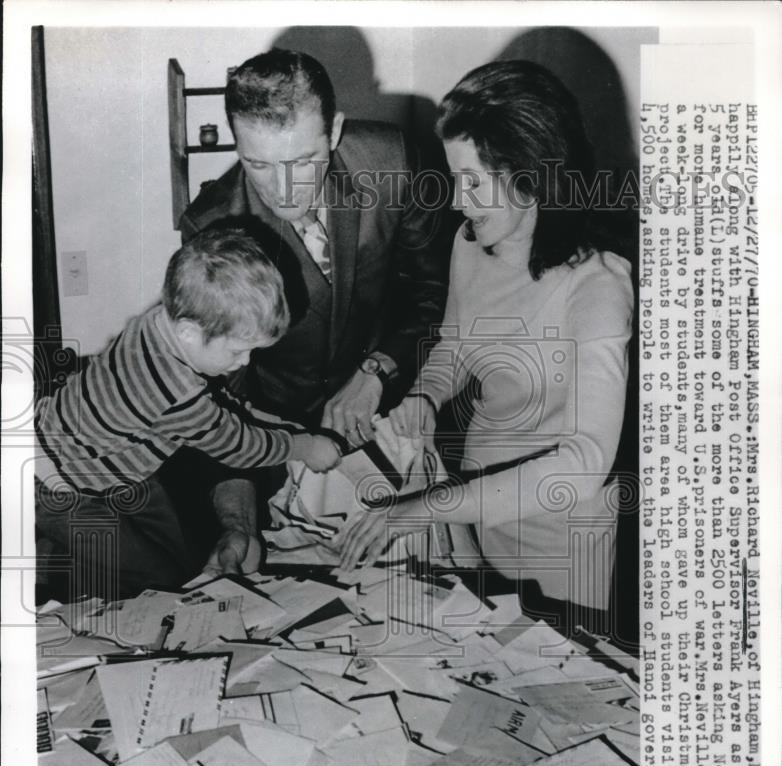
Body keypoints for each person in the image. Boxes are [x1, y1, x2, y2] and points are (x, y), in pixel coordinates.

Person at [340, 60, 634, 623]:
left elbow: (584, 463)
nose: (456, 200)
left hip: (560, 548)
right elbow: (454, 342)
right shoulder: (469, 243)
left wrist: (419, 510)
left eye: (471, 181)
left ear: (530, 174)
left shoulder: (597, 283)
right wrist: (425, 395)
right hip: (474, 518)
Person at [179, 48, 449, 578]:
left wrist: (377, 372)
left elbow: (433, 295)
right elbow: (220, 401)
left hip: (400, 424)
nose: (284, 191)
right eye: (258, 164)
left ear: (335, 130)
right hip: (286, 457)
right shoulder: (213, 227)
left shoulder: (393, 162)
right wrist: (239, 523)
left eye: (302, 161)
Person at [35, 227, 341, 602]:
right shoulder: (172, 390)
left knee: (183, 561)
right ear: (189, 332)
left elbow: (218, 404)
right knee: (156, 582)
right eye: (237, 351)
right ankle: (50, 557)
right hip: (62, 489)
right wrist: (304, 446)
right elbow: (239, 447)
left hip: (109, 461)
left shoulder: (159, 322)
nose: (243, 362)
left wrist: (272, 423)